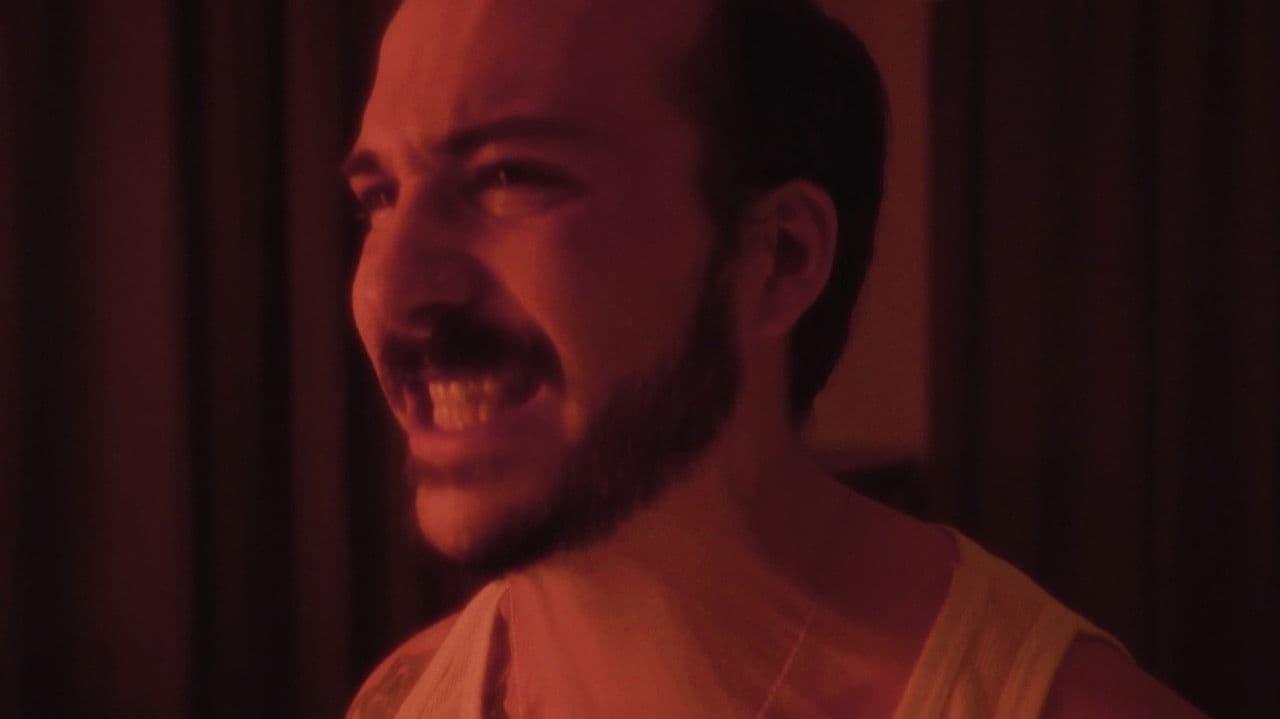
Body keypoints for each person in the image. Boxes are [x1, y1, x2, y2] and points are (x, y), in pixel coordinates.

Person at [341, 0, 1205, 716]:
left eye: (510, 176)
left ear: (779, 260)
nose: (389, 289)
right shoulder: (407, 698)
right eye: (379, 197)